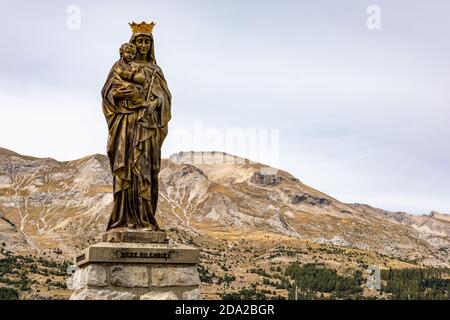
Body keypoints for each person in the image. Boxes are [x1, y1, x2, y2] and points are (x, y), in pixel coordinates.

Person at [101, 22, 172, 230]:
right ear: (132, 44)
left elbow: (166, 99)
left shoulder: (155, 70)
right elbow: (107, 93)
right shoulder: (120, 66)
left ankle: (144, 218)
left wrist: (155, 103)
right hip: (126, 123)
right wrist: (126, 97)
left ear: (151, 45)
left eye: (146, 42)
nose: (142, 45)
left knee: (145, 170)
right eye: (139, 41)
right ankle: (124, 219)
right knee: (126, 169)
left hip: (148, 126)